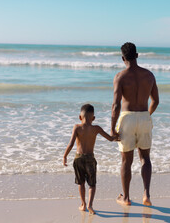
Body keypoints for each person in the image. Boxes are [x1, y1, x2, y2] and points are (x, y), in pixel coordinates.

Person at [111, 42, 159, 206]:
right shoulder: (149, 75)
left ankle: (126, 198)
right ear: (137, 55)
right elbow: (156, 101)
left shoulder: (120, 77)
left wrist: (112, 128)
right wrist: (146, 115)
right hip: (144, 116)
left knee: (126, 161)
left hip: (127, 118)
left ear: (122, 58)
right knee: (145, 158)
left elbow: (116, 105)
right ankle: (146, 194)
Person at [63, 104, 117, 215]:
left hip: (78, 158)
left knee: (81, 183)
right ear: (93, 118)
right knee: (92, 184)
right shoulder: (96, 128)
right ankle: (90, 205)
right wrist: (118, 135)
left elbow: (71, 144)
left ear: (80, 117)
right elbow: (110, 139)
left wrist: (65, 156)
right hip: (90, 159)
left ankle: (83, 204)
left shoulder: (77, 127)